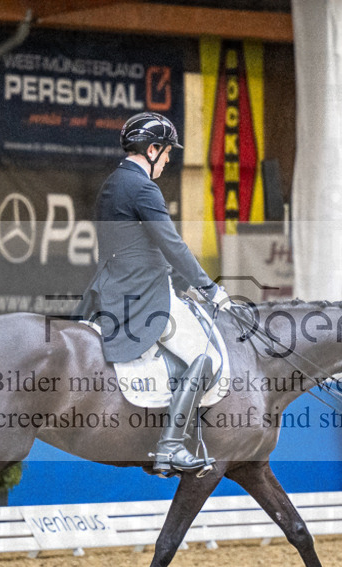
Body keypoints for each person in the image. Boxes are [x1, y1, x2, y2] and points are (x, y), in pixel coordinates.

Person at [75, 111, 231, 476]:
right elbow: (172, 245)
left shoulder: (114, 182)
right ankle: (171, 446)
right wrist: (209, 288)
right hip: (142, 294)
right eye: (166, 152)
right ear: (153, 149)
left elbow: (138, 246)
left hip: (111, 288)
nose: (168, 160)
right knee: (206, 354)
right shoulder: (143, 187)